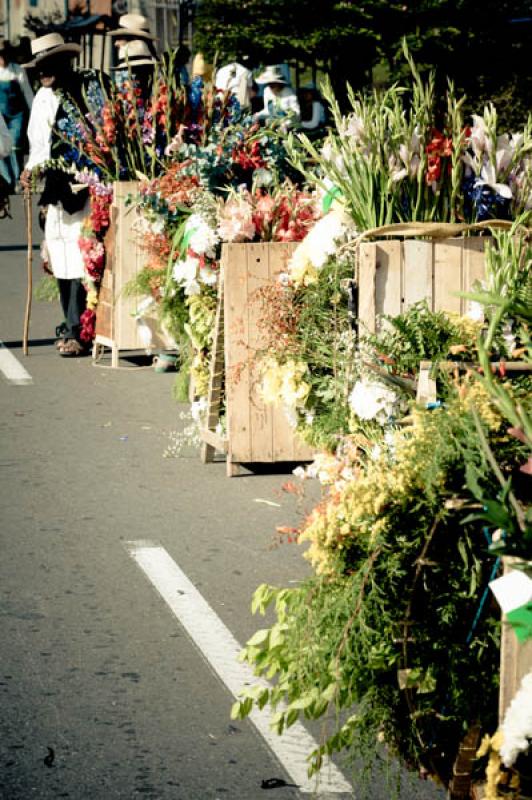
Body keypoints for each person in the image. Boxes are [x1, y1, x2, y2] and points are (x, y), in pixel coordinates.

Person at [20, 33, 100, 357]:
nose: (44, 75)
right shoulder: (42, 98)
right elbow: (38, 146)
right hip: (55, 185)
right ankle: (71, 325)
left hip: (84, 183)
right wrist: (31, 173)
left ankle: (79, 328)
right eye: (39, 70)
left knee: (83, 255)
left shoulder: (84, 90)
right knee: (60, 253)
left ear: (65, 64)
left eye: (49, 67)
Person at [0, 38, 33, 190]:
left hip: (16, 116)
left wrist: (33, 110)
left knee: (15, 145)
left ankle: (18, 178)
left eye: (3, 54)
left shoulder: (17, 70)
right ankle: (8, 179)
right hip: (1, 115)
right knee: (2, 147)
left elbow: (27, 92)